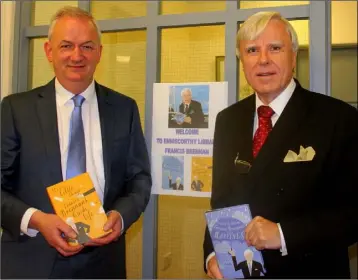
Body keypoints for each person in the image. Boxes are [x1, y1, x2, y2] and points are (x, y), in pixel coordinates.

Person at [204, 11, 357, 278]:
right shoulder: (227, 120)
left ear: (293, 56)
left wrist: (283, 234)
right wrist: (212, 255)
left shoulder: (337, 118)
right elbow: (220, 201)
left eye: (274, 48)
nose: (263, 59)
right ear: (243, 63)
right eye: (252, 50)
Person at [1, 6, 151, 279]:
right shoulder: (15, 110)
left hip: (104, 263)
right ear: (49, 51)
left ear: (99, 52)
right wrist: (36, 219)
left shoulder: (123, 108)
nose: (77, 55)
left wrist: (121, 215)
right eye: (66, 45)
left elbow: (139, 180)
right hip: (31, 261)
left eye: (87, 46)